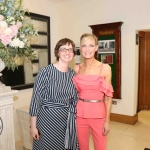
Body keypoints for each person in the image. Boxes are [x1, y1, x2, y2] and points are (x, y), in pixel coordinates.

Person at [29, 38, 79, 150]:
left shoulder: (73, 74)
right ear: (57, 52)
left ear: (73, 54)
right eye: (63, 49)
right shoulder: (45, 72)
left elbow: (75, 99)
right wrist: (33, 126)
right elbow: (35, 100)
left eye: (70, 49)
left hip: (66, 121)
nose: (67, 52)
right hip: (47, 121)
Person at [72, 33, 114, 150]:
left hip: (99, 114)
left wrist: (107, 121)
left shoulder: (105, 68)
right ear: (80, 48)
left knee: (100, 147)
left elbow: (108, 97)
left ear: (96, 48)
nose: (87, 49)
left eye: (91, 45)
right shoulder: (77, 68)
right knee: (82, 147)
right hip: (80, 114)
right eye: (84, 46)